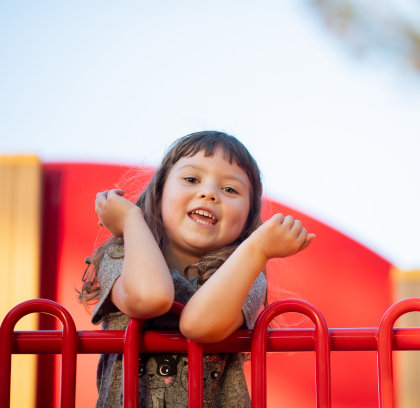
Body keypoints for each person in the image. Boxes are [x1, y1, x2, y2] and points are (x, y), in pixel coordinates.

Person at [79, 130, 315, 407]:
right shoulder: (122, 254)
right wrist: (133, 219)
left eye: (230, 189)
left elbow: (198, 325)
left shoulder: (245, 273)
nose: (209, 194)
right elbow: (149, 297)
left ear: (249, 217)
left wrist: (257, 249)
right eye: (191, 179)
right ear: (159, 193)